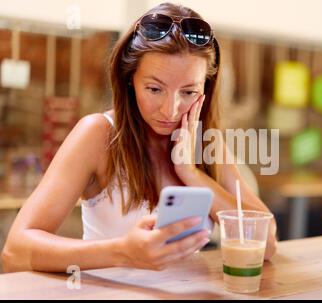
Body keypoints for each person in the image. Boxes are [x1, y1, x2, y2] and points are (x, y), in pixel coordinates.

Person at [1, 3, 277, 273]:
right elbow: (16, 251)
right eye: (155, 89)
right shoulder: (98, 134)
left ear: (206, 88)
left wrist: (191, 173)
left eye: (189, 92)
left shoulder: (205, 142)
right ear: (130, 79)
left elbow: (265, 245)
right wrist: (123, 252)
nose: (171, 110)